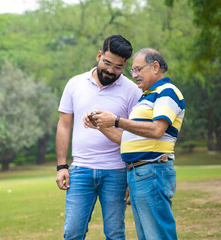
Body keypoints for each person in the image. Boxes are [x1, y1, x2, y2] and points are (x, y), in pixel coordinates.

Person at [84, 48, 185, 240]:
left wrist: (116, 120)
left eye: (138, 69)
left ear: (155, 67)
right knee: (146, 236)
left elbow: (156, 130)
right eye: (133, 71)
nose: (134, 75)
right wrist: (100, 125)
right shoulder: (146, 97)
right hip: (138, 173)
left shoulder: (167, 92)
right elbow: (126, 139)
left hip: (153, 169)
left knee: (158, 235)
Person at [55, 35, 142, 240]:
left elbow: (136, 136)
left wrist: (132, 175)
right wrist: (61, 166)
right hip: (80, 171)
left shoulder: (132, 91)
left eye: (118, 67)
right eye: (107, 63)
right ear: (99, 55)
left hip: (117, 173)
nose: (111, 71)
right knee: (73, 232)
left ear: (125, 65)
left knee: (114, 233)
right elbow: (64, 125)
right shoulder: (75, 83)